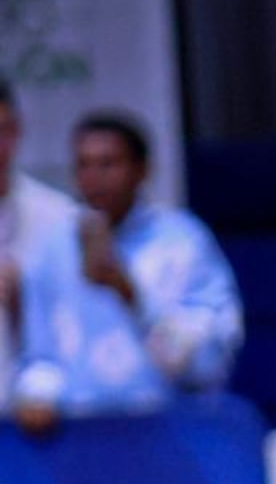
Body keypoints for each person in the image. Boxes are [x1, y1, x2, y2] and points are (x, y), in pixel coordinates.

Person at [10, 111, 239, 427]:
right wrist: (35, 396)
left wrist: (129, 294)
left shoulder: (183, 242)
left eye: (108, 164)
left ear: (142, 170)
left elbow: (207, 365)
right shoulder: (52, 248)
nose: (94, 178)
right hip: (78, 437)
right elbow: (38, 358)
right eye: (83, 165)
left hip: (171, 433)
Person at [0, 78, 75, 389]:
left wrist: (23, 301)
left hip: (39, 420)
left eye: (1, 131)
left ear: (16, 131)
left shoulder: (61, 219)